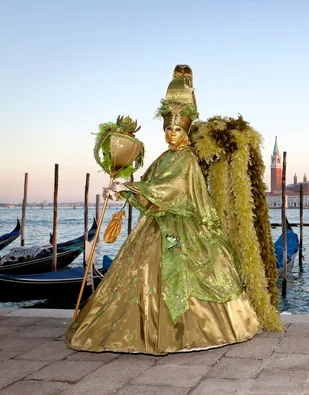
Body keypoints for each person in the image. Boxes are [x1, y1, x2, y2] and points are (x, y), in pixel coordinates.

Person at [66, 65, 262, 355]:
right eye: (168, 129)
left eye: (177, 129)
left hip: (185, 230)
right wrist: (122, 192)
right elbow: (150, 191)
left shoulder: (188, 160)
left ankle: (190, 333)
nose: (171, 134)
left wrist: (129, 188)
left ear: (187, 130)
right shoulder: (163, 158)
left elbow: (173, 191)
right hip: (156, 227)